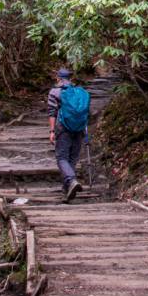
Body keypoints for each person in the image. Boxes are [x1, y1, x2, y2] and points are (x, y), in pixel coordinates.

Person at [47, 68, 89, 203]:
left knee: (61, 157)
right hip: (79, 129)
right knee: (72, 158)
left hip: (63, 128)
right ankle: (67, 190)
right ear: (70, 78)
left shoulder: (55, 92)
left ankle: (71, 180)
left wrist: (52, 131)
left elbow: (52, 112)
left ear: (58, 78)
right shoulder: (79, 92)